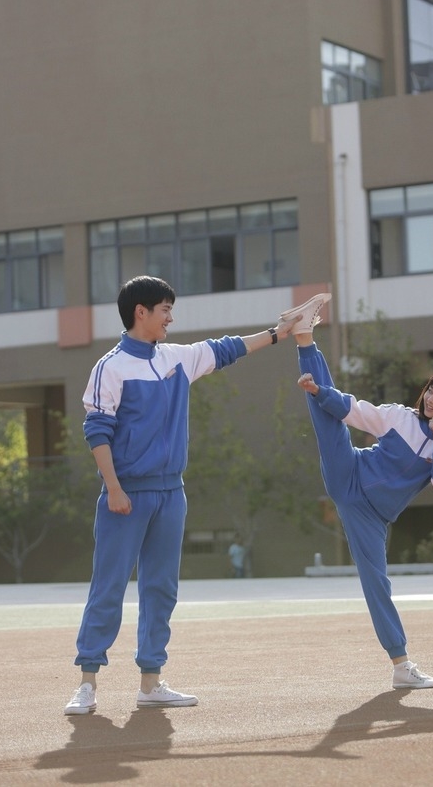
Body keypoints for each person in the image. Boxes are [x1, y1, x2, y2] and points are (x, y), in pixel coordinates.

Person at [64, 275, 298, 714]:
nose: (171, 318)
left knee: (161, 589)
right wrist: (113, 488)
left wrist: (277, 333)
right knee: (108, 588)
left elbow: (228, 349)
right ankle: (87, 683)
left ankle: (151, 682)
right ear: (142, 312)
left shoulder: (177, 358)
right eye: (166, 310)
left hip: (172, 493)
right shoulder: (110, 367)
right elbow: (97, 431)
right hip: (125, 495)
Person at [279, 292, 433, 690]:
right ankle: (305, 338)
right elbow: (354, 410)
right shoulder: (399, 417)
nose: (431, 398)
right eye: (431, 390)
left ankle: (401, 666)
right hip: (349, 471)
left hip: (370, 516)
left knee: (377, 584)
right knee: (328, 416)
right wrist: (319, 392)